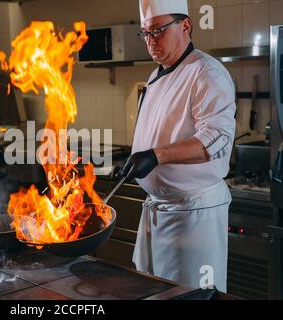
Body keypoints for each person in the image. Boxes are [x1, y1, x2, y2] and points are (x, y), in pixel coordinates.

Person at [117, 0, 236, 292]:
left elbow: (216, 139)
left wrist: (156, 156)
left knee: (188, 295)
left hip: (193, 214)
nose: (150, 41)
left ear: (185, 25)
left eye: (158, 31)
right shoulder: (157, 74)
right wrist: (137, 159)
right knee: (153, 292)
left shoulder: (206, 72)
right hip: (159, 211)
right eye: (145, 33)